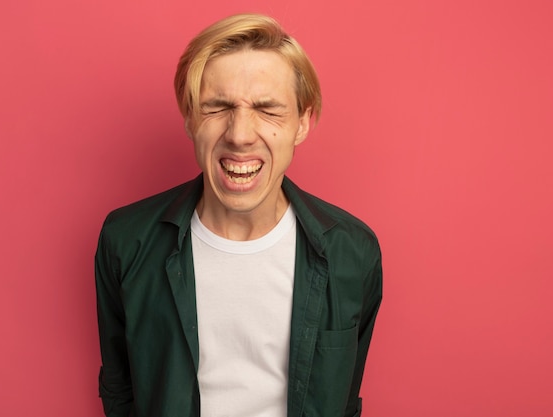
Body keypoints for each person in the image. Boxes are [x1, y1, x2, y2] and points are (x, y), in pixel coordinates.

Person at [95, 13, 382, 417]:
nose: (240, 134)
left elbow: (344, 399)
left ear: (303, 121)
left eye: (268, 109)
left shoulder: (352, 251)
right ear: (190, 117)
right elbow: (120, 387)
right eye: (217, 107)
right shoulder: (126, 241)